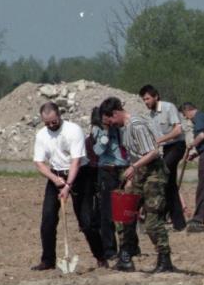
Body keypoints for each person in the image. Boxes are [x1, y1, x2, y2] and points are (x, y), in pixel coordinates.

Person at [99, 96, 174, 273]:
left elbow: (153, 152)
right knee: (123, 213)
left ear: (115, 113)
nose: (110, 124)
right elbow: (134, 154)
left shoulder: (136, 125)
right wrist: (131, 179)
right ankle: (125, 256)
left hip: (153, 174)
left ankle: (165, 259)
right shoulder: (125, 128)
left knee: (152, 221)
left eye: (110, 120)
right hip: (140, 173)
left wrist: (134, 168)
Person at [31, 102, 105, 270]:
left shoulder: (73, 130)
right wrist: (55, 179)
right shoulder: (41, 135)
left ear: (59, 115)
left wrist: (67, 186)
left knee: (86, 221)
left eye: (54, 122)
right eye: (47, 123)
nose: (51, 125)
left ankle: (101, 255)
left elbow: (76, 161)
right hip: (56, 175)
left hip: (80, 175)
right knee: (48, 219)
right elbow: (39, 163)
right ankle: (47, 260)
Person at [90, 105, 134, 262]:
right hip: (107, 170)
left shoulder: (121, 128)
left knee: (127, 209)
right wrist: (105, 133)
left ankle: (130, 246)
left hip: (124, 168)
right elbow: (98, 151)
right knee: (107, 211)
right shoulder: (97, 131)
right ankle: (109, 249)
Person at [140, 84, 187, 231]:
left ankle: (156, 216)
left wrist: (159, 140)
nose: (146, 102)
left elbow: (178, 130)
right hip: (166, 148)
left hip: (177, 146)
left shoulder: (168, 107)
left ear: (156, 96)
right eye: (144, 100)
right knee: (170, 184)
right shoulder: (151, 115)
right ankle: (179, 224)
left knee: (160, 174)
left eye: (147, 98)